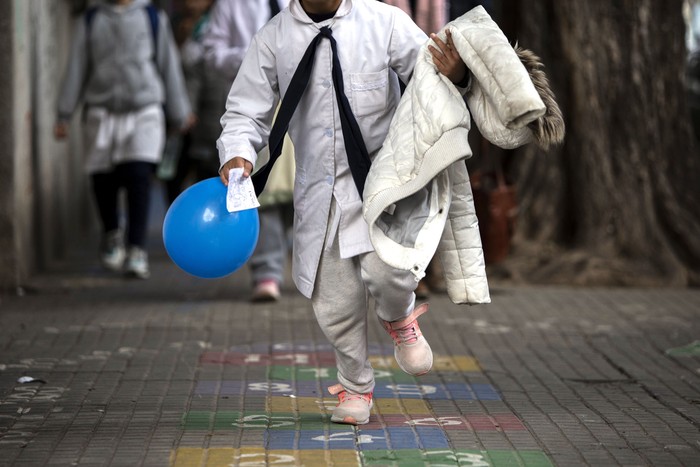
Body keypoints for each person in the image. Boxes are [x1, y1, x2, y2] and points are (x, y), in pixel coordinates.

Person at [216, 0, 469, 425]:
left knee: (391, 269)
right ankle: (355, 388)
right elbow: (245, 109)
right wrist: (238, 153)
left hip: (382, 181)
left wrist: (456, 73)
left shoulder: (384, 22)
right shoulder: (274, 37)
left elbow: (430, 74)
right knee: (334, 301)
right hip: (320, 187)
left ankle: (400, 315)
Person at [54, 0, 194, 279]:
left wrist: (180, 112)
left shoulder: (152, 16)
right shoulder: (92, 19)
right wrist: (64, 113)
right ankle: (111, 233)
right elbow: (77, 66)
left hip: (144, 108)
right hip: (102, 110)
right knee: (102, 178)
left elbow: (168, 65)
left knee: (138, 176)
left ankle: (137, 249)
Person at [203, 0, 294, 302]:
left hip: (298, 105)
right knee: (261, 190)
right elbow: (211, 51)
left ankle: (309, 266)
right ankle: (267, 272)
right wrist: (254, 57)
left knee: (304, 187)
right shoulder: (230, 4)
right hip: (253, 106)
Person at [161, 0, 230, 203]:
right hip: (178, 116)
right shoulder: (170, 25)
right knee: (173, 176)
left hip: (210, 115)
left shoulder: (219, 23)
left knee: (207, 174)